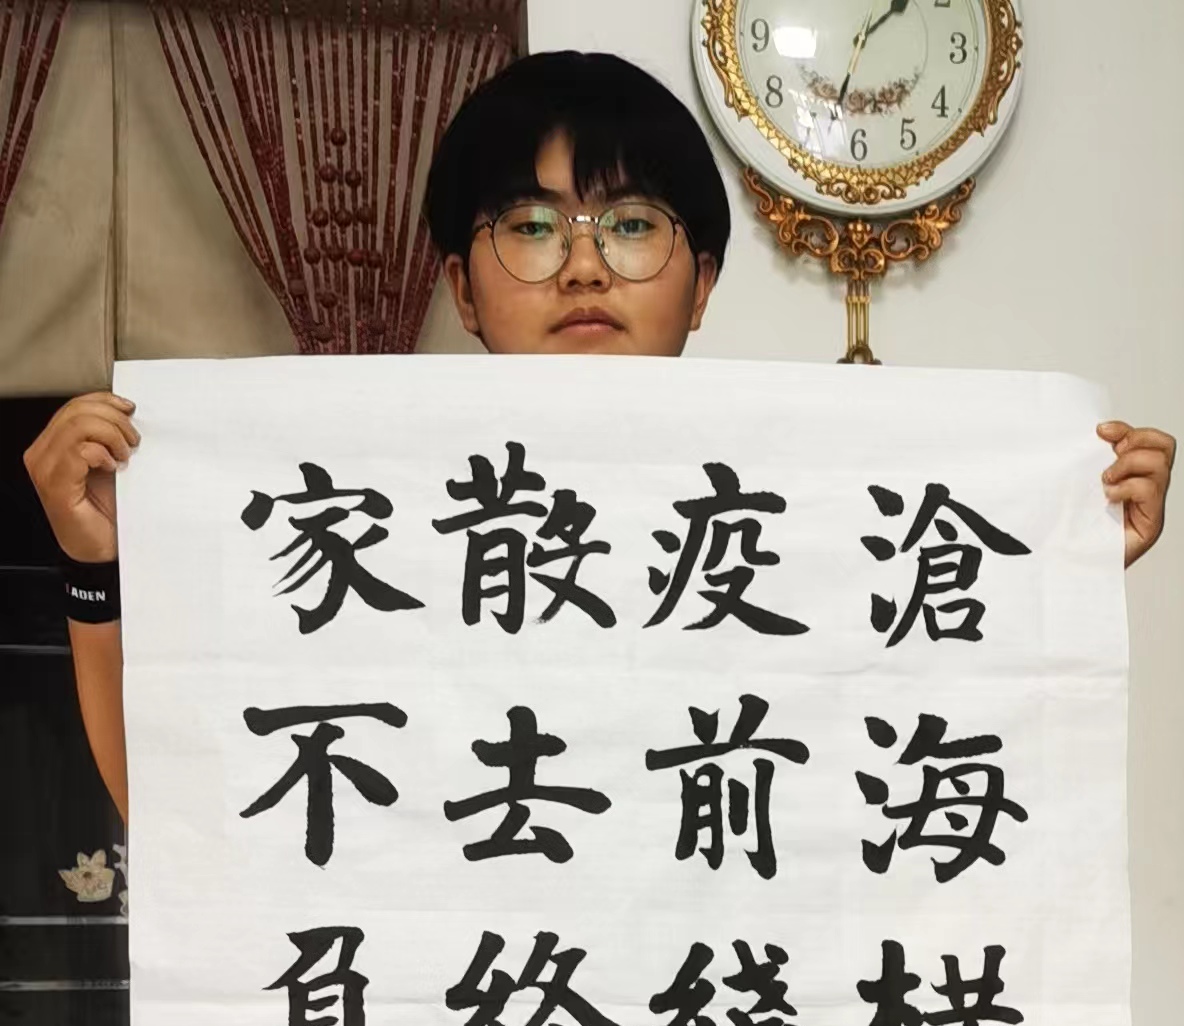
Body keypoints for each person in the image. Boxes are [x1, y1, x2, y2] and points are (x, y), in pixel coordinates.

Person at [24, 48, 1176, 826]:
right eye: (530, 225)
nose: (582, 264)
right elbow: (195, 821)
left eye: (630, 222)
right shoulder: (368, 527)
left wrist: (1060, 568)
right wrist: (94, 572)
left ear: (702, 283)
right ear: (462, 289)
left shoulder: (793, 529)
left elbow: (929, 790)